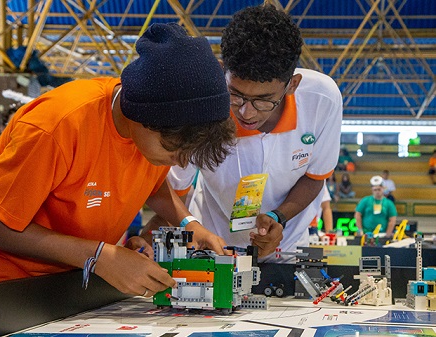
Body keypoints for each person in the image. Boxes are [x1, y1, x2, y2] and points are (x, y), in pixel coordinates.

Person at [0, 23, 236, 297]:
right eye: (174, 151)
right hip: (5, 288)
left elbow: (154, 186)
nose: (177, 163)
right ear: (139, 116)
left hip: (76, 285)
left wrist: (189, 224)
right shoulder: (58, 126)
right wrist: (100, 256)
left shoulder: (158, 135)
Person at [143, 5, 343, 262]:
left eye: (263, 100)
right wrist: (176, 228)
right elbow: (175, 189)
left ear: (291, 85)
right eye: (236, 94)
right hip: (212, 246)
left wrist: (277, 217)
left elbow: (315, 177)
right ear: (221, 70)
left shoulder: (321, 100)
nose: (246, 112)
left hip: (286, 247)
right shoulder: (201, 104)